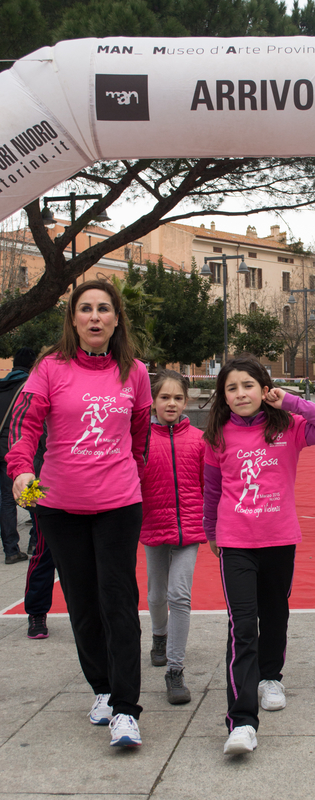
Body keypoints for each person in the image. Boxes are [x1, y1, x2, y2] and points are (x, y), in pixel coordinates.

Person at [6, 279, 152, 748]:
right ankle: (104, 690)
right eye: (85, 309)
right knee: (83, 605)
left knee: (119, 602)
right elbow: (23, 424)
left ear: (116, 319)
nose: (94, 317)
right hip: (57, 506)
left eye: (103, 309)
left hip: (118, 506)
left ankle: (127, 710)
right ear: (73, 318)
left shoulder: (136, 373)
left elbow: (142, 438)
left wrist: (134, 483)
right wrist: (20, 471)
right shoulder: (50, 368)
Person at [202, 355, 315, 755]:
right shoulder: (216, 434)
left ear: (263, 389)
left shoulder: (289, 426)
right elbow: (212, 489)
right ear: (223, 396)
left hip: (280, 539)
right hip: (236, 542)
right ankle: (242, 722)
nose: (240, 393)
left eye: (248, 385)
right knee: (242, 626)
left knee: (275, 613)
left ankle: (270, 678)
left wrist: (292, 402)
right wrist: (211, 531)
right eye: (231, 387)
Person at [140, 369, 205, 705]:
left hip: (189, 529)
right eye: (164, 397)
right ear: (152, 401)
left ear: (186, 401)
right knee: (155, 594)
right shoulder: (141, 440)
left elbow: (210, 484)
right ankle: (159, 636)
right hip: (153, 526)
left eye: (178, 397)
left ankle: (175, 670)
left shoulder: (199, 439)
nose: (171, 403)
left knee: (179, 594)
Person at [0, 347, 36, 564]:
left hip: (1, 450)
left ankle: (11, 548)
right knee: (33, 492)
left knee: (5, 499)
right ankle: (36, 540)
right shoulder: (29, 387)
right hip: (17, 450)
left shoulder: (2, 384)